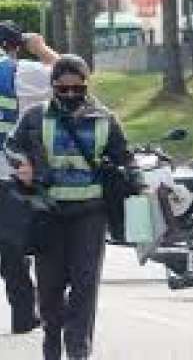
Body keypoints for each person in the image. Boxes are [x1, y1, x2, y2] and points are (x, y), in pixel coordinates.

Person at [7, 55, 129, 360]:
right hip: (48, 213)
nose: (72, 95)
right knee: (49, 290)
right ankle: (51, 344)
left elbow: (125, 159)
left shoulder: (106, 119)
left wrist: (135, 183)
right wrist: (23, 165)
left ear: (86, 86)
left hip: (90, 213)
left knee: (85, 286)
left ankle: (78, 351)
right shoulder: (35, 117)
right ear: (53, 87)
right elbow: (11, 144)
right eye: (64, 89)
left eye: (78, 88)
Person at [0, 21, 59, 334]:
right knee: (12, 247)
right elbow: (72, 75)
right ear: (14, 46)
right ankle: (25, 312)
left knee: (10, 249)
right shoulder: (20, 71)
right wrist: (41, 49)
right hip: (11, 175)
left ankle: (26, 311)